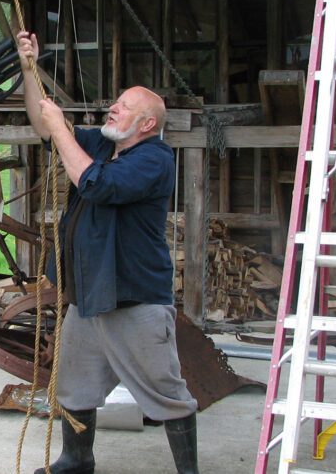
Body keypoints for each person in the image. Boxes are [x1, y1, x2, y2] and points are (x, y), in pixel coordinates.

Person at [16, 31, 199, 474]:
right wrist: (28, 68)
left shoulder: (155, 159)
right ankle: (77, 461)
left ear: (147, 124)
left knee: (166, 392)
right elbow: (44, 126)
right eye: (116, 102)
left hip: (134, 297)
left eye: (124, 106)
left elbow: (97, 185)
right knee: (75, 385)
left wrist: (62, 127)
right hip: (89, 294)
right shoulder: (104, 144)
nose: (112, 107)